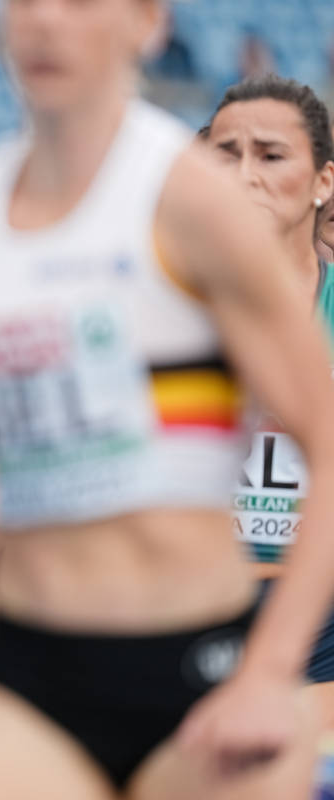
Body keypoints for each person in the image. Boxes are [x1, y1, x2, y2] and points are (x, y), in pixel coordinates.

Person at [0, 1, 334, 798]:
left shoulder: (196, 208)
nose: (46, 23)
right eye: (25, 1)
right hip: (42, 662)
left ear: (148, 23)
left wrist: (270, 672)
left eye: (80, 2)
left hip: (216, 647)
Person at [199, 75, 334, 732]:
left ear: (323, 183)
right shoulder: (161, 310)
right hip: (190, 612)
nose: (245, 175)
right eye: (226, 155)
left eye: (271, 155)